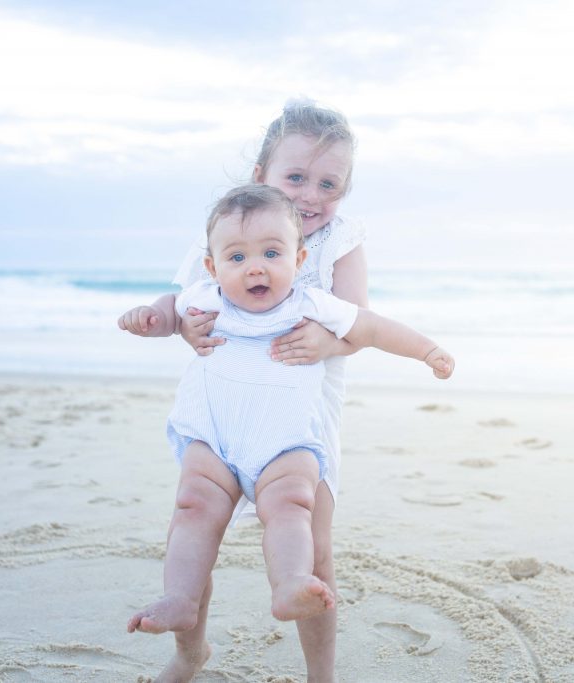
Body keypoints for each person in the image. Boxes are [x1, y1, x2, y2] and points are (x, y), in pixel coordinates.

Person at [121, 184, 454, 682]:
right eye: (237, 256)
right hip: (214, 435)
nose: (256, 266)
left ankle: (291, 581)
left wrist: (427, 351)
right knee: (193, 507)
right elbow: (170, 309)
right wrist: (151, 318)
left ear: (298, 259)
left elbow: (373, 328)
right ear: (212, 268)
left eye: (272, 253)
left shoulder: (312, 304)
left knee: (292, 505)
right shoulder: (205, 297)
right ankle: (181, 597)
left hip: (284, 441)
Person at [121, 99, 369, 681]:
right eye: (296, 177)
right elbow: (189, 305)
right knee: (195, 521)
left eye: (329, 183)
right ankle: (189, 653)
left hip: (301, 409)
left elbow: (359, 326)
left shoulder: (340, 240)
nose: (311, 194)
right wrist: (177, 326)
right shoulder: (229, 229)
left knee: (311, 540)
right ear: (262, 174)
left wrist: (327, 343)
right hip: (226, 404)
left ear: (345, 189)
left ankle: (320, 674)